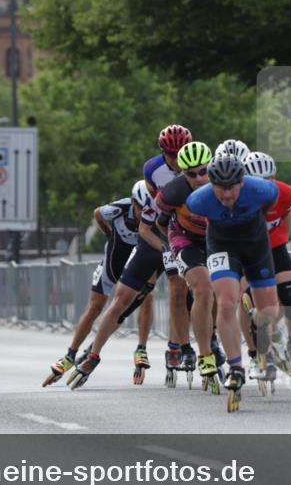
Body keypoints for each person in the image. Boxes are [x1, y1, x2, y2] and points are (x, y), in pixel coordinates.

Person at [67, 125, 192, 390]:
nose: (175, 158)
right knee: (123, 297)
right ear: (163, 151)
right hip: (154, 231)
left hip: (182, 233)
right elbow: (150, 212)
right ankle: (92, 355)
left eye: (179, 153)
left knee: (179, 287)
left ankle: (178, 346)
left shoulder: (197, 167)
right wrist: (161, 244)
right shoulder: (152, 170)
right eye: (170, 154)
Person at [186, 155, 280, 412]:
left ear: (242, 182)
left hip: (255, 243)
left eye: (232, 188)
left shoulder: (262, 189)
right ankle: (236, 367)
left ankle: (265, 347)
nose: (227, 194)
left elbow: (271, 204)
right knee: (226, 302)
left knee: (269, 308)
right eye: (221, 189)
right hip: (222, 245)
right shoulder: (198, 200)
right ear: (211, 185)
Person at [43, 185, 154, 388]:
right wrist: (109, 234)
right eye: (140, 209)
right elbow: (98, 213)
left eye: (147, 210)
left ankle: (141, 347)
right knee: (94, 307)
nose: (144, 214)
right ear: (133, 203)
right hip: (112, 261)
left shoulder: (153, 215)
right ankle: (70, 355)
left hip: (135, 265)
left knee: (144, 297)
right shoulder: (120, 208)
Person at [153, 141, 221, 390]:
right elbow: (160, 223)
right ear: (183, 173)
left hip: (216, 239)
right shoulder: (173, 192)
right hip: (185, 239)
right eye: (191, 174)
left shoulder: (222, 184)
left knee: (219, 290)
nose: (199, 178)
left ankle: (211, 336)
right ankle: (205, 356)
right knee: (202, 289)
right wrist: (171, 245)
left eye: (203, 171)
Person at [240, 152, 291, 379]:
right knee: (256, 305)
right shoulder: (237, 197)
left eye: (269, 181)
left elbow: (286, 215)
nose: (265, 188)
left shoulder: (286, 193)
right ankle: (258, 353)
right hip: (247, 250)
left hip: (274, 245)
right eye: (259, 182)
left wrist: (284, 238)